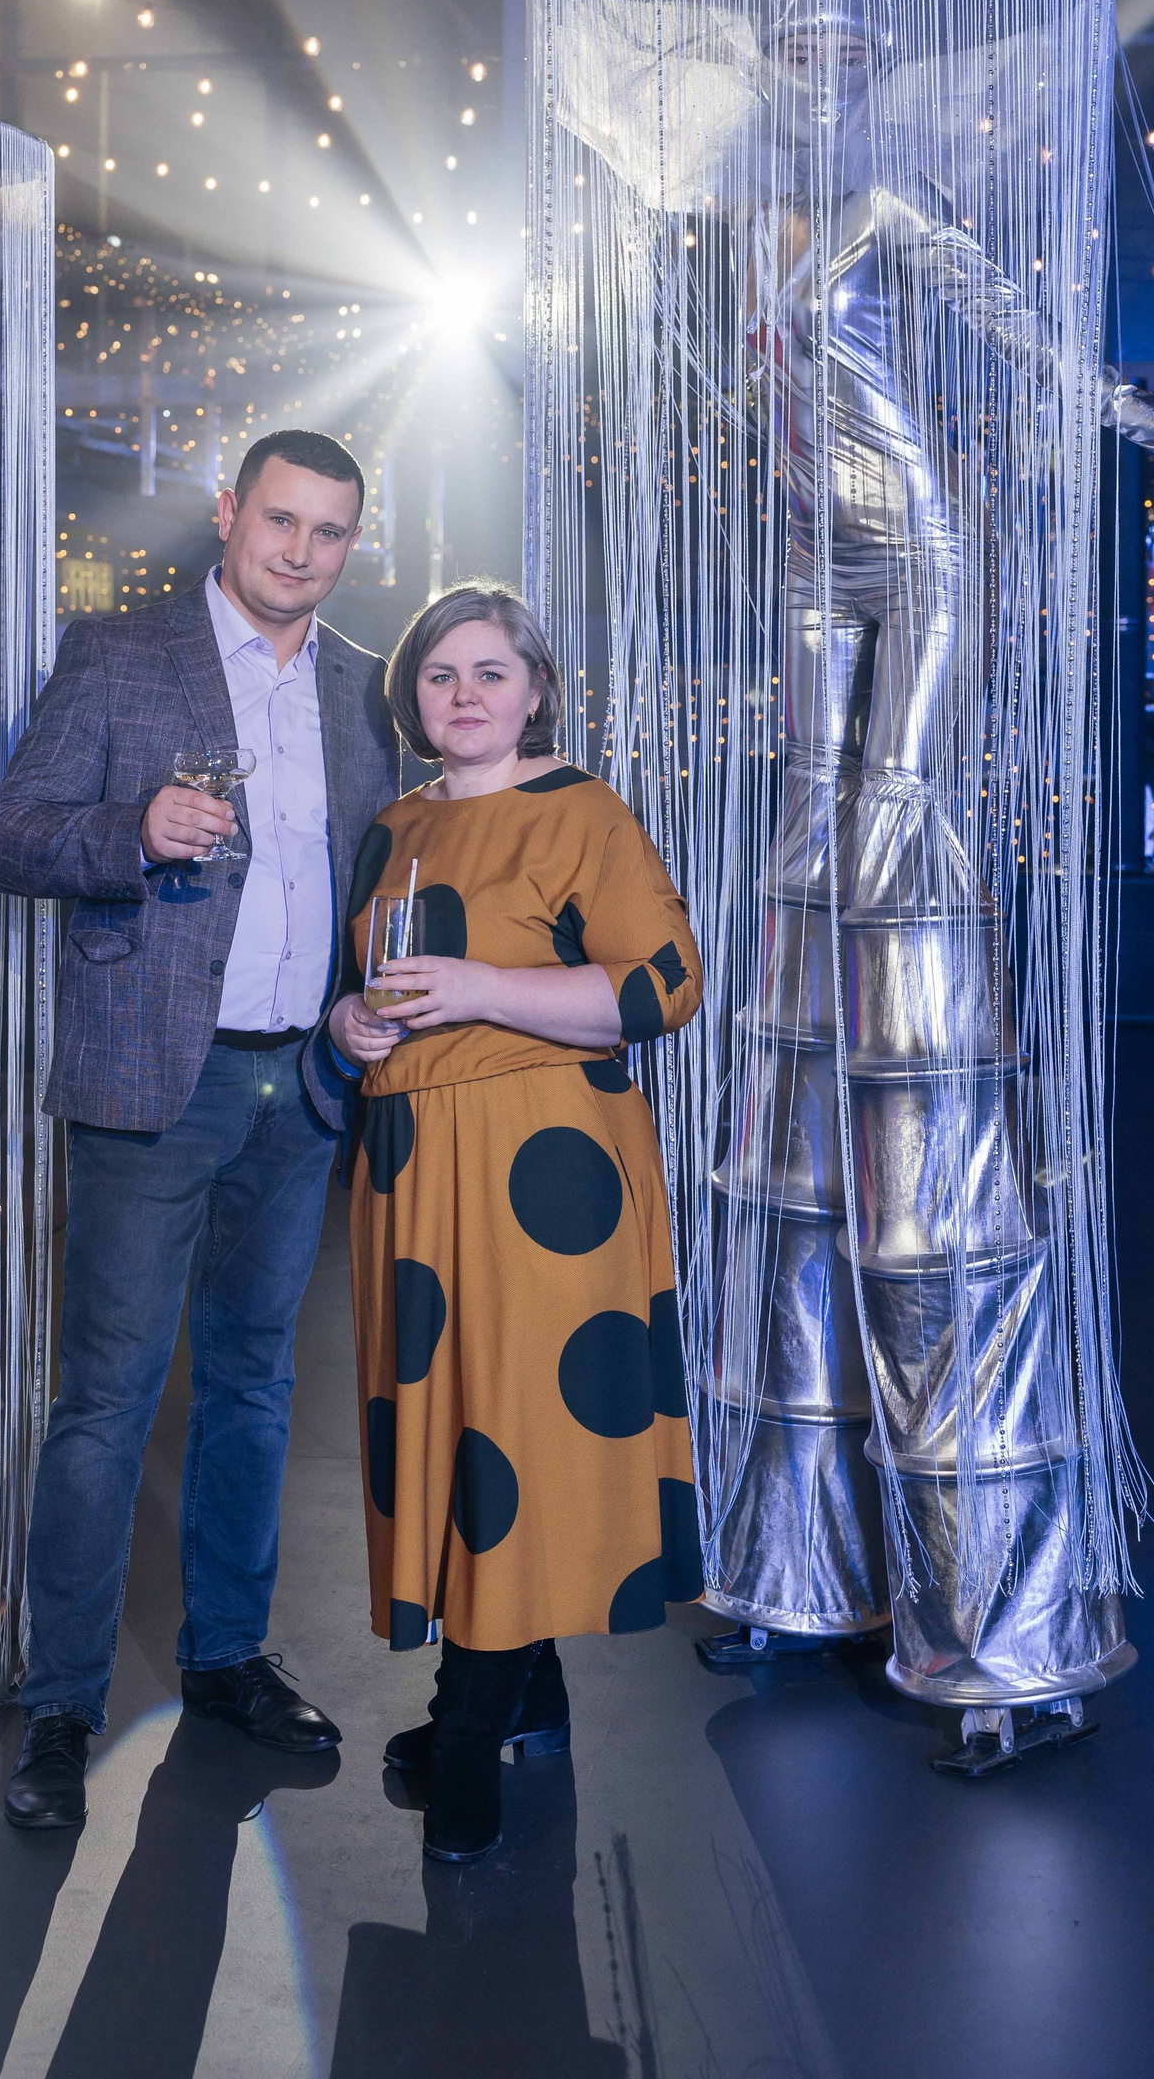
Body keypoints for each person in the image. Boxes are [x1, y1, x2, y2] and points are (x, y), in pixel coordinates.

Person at [0, 429, 400, 1831]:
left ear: (349, 544)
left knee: (257, 1383)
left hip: (302, 1082)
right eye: (280, 519)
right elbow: (8, 835)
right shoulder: (120, 655)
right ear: (229, 512)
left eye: (328, 531)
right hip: (155, 1079)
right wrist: (130, 828)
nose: (300, 551)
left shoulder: (363, 685)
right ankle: (61, 1703)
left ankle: (225, 1655)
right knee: (107, 1398)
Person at [327, 581, 702, 1865]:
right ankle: (530, 1696)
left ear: (536, 688)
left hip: (546, 1173)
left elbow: (665, 986)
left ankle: (466, 1735)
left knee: (517, 1434)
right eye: (442, 674)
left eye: (492, 671)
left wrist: (484, 984)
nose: (467, 694)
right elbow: (364, 996)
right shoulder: (395, 824)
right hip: (412, 1173)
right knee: (456, 1427)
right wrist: (350, 1022)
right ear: (412, 694)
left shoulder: (581, 812)